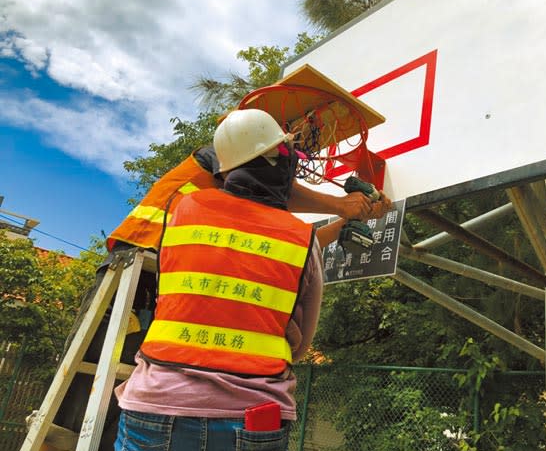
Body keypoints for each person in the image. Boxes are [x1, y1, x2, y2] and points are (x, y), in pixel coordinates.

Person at [53, 110, 391, 449]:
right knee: (74, 414)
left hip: (155, 393)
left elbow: (272, 227)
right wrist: (341, 205)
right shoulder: (216, 157)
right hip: (133, 270)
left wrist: (343, 220)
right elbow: (291, 231)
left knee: (109, 401)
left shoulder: (187, 211)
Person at [112, 108, 343, 450]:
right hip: (253, 414)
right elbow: (301, 344)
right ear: (281, 166)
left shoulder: (182, 211)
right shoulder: (301, 237)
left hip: (153, 404)